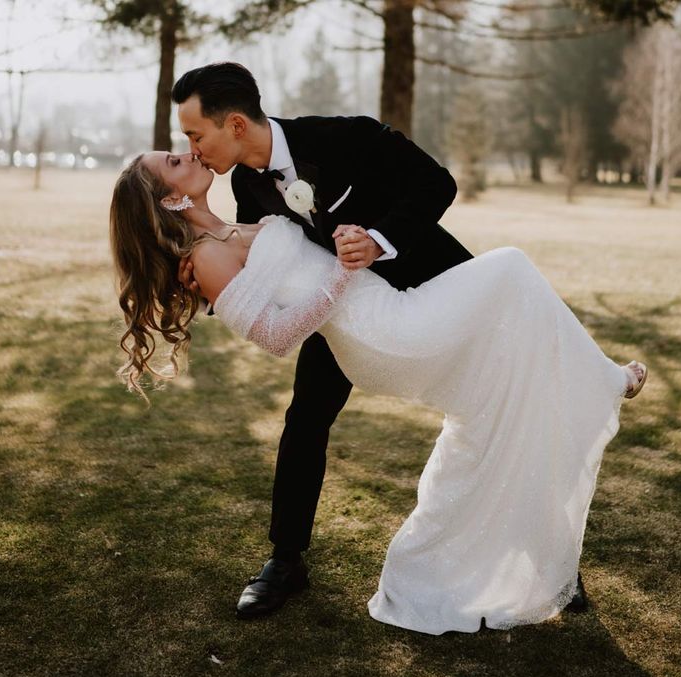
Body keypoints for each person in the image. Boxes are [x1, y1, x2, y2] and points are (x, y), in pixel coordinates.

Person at [109, 148, 648, 634]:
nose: (188, 152)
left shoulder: (237, 218)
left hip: (385, 301)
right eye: (174, 162)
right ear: (172, 198)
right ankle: (606, 377)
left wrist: (356, 254)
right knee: (510, 269)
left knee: (500, 381)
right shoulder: (202, 258)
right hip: (377, 330)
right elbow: (276, 337)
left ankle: (541, 556)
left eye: (183, 145)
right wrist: (342, 275)